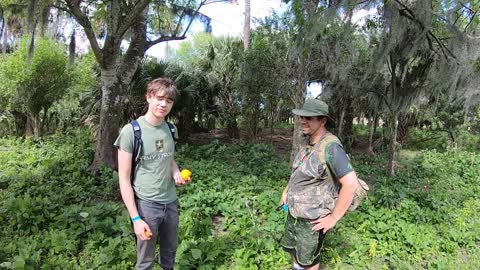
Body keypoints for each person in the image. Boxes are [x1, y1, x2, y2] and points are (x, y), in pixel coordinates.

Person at [115, 78, 190, 270]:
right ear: (149, 97)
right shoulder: (131, 131)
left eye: (169, 100)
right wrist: (135, 218)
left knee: (169, 253)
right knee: (145, 260)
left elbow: (168, 158)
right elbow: (123, 178)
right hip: (147, 205)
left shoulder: (171, 129)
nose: (164, 104)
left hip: (171, 202)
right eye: (159, 98)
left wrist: (175, 173)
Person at [280, 98, 359, 270]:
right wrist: (287, 191)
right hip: (295, 212)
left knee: (309, 261)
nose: (303, 121)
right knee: (295, 252)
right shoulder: (308, 142)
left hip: (313, 219)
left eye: (309, 118)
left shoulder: (330, 148)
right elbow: (299, 171)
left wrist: (333, 218)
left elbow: (351, 184)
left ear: (322, 121)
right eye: (302, 117)